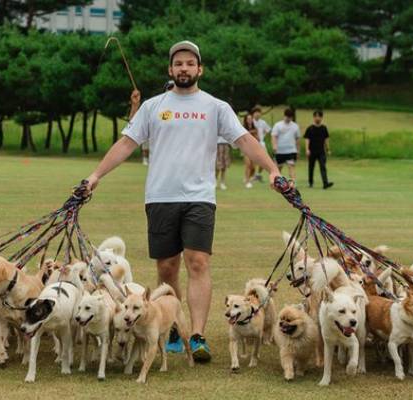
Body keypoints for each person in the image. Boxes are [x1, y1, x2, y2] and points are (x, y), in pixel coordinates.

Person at [83, 40, 281, 363]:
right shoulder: (153, 106)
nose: (184, 68)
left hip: (200, 198)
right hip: (160, 197)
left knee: (198, 262)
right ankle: (174, 326)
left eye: (190, 63)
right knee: (167, 266)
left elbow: (245, 140)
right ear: (170, 69)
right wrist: (95, 176)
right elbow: (125, 144)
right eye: (179, 64)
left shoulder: (216, 107)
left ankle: (199, 334)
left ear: (199, 69)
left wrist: (272, 170)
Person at [304, 110, 334, 189]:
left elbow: (326, 139)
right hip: (312, 151)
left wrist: (328, 149)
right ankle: (310, 182)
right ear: (313, 117)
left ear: (321, 118)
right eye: (316, 116)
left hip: (321, 151)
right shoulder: (310, 128)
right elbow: (307, 139)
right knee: (311, 167)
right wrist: (307, 149)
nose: (317, 118)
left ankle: (325, 183)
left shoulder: (324, 128)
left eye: (319, 116)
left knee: (323, 167)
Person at [271, 108, 301, 182]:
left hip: (291, 150)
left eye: (290, 117)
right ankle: (278, 183)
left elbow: (297, 139)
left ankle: (293, 183)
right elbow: (274, 136)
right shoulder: (278, 125)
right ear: (284, 116)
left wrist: (298, 150)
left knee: (291, 166)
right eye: (287, 116)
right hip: (280, 150)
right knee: (279, 168)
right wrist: (274, 146)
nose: (288, 118)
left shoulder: (295, 126)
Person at [251, 107, 271, 182]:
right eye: (256, 112)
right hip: (252, 143)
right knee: (252, 161)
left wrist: (263, 136)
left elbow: (268, 130)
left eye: (259, 112)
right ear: (253, 114)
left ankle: (258, 174)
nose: (258, 114)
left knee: (264, 160)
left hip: (261, 143)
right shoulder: (251, 122)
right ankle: (251, 176)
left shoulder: (263, 122)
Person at [242, 113, 258, 188]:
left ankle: (247, 177)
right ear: (245, 120)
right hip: (246, 149)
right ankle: (247, 181)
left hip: (253, 148)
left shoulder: (255, 128)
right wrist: (251, 132)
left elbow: (257, 138)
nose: (250, 120)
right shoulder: (243, 128)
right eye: (248, 119)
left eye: (251, 119)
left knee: (253, 167)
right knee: (248, 165)